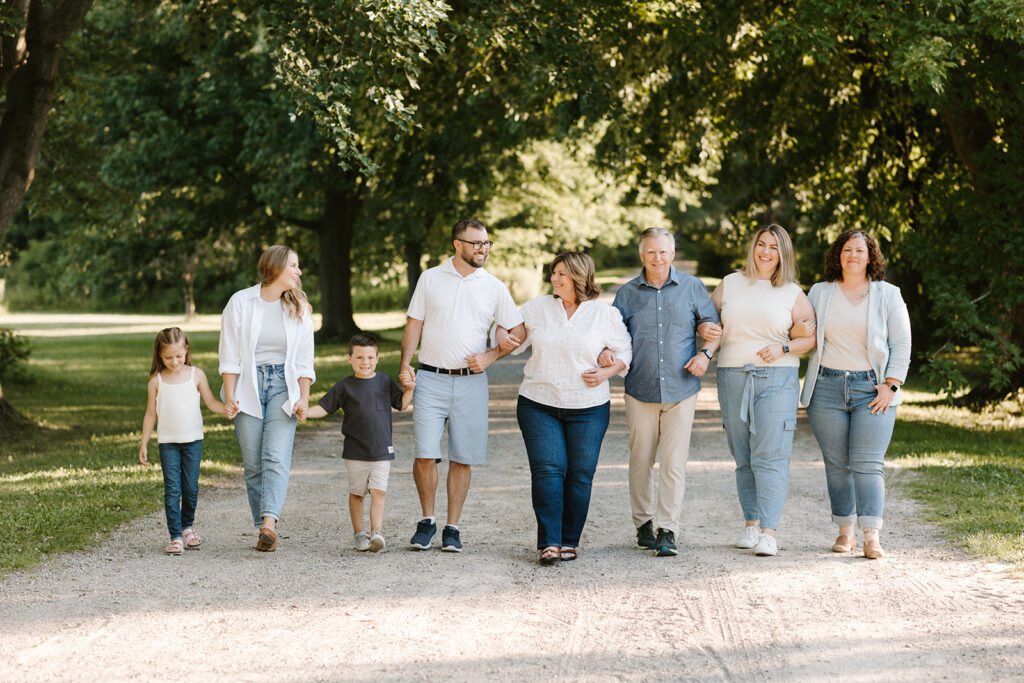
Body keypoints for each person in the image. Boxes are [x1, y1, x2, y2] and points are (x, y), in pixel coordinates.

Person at [398, 219, 526, 553]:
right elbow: (414, 325)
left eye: (486, 243)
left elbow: (518, 331)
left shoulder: (494, 287)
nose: (483, 249)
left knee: (462, 457)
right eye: (476, 243)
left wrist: (492, 355)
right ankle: (426, 521)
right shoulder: (430, 278)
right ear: (457, 244)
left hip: (472, 384)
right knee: (425, 453)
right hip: (429, 379)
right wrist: (404, 365)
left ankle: (452, 528)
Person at [500, 252, 632, 565]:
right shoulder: (538, 308)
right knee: (548, 470)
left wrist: (605, 371)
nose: (555, 279)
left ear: (580, 277)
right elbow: (512, 338)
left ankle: (569, 540)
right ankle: (550, 542)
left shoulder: (603, 314)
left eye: (562, 274)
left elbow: (625, 351)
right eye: (554, 272)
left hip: (588, 407)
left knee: (580, 475)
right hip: (538, 403)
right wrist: (501, 336)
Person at [610, 228, 722, 557]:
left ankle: (668, 529)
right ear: (641, 255)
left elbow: (713, 328)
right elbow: (612, 336)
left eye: (663, 252)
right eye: (651, 253)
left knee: (674, 463)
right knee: (641, 460)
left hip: (681, 389)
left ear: (672, 253)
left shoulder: (692, 288)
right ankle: (644, 522)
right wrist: (606, 354)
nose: (657, 258)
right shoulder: (627, 293)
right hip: (640, 389)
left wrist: (706, 355)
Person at [801, 230, 911, 559]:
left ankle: (872, 536)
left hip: (872, 389)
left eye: (859, 251)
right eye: (847, 250)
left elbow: (901, 344)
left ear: (870, 256)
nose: (853, 256)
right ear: (838, 255)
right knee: (837, 464)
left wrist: (891, 385)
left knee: (867, 463)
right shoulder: (820, 292)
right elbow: (801, 330)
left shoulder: (888, 294)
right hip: (826, 388)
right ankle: (845, 531)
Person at [710, 224, 815, 557]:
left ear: (783, 254)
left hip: (776, 379)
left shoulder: (792, 292)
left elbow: (809, 337)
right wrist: (706, 337)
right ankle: (750, 526)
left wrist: (783, 348)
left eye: (774, 247)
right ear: (753, 247)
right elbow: (707, 323)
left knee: (770, 456)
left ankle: (769, 532)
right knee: (743, 457)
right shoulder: (730, 284)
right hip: (732, 376)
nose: (766, 252)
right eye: (761, 244)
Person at [219, 245, 315, 552]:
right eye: (294, 266)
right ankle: (261, 523)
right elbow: (229, 354)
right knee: (252, 461)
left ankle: (268, 524)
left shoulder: (299, 308)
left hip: (283, 386)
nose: (299, 272)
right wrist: (230, 395)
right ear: (275, 267)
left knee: (275, 455)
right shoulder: (241, 302)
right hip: (246, 385)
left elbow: (304, 360)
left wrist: (304, 398)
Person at [306, 333, 414, 553]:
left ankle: (377, 532)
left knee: (379, 491)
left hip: (382, 449)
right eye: (359, 358)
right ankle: (359, 534)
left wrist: (410, 388)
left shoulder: (384, 381)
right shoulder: (345, 386)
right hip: (355, 451)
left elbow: (401, 405)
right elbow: (325, 407)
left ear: (377, 358)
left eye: (370, 358)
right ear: (350, 359)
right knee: (357, 493)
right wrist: (305, 412)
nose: (365, 362)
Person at [139, 327, 235, 555]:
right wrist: (143, 443)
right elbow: (150, 414)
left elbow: (211, 403)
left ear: (187, 351)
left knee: (190, 488)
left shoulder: (196, 375)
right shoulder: (156, 381)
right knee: (172, 489)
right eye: (168, 357)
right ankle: (175, 537)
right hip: (167, 443)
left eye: (179, 356)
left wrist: (227, 409)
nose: (174, 361)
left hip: (193, 441)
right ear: (159, 356)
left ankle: (187, 527)